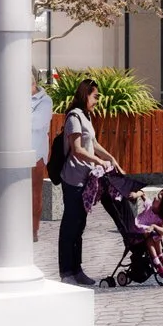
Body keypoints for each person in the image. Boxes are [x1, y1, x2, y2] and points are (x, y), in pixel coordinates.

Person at [54, 77, 121, 285]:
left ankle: (77, 269)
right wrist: (99, 161)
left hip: (86, 179)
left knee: (80, 225)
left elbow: (93, 143)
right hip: (73, 179)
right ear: (85, 95)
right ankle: (66, 272)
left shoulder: (86, 116)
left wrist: (111, 157)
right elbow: (77, 149)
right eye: (95, 96)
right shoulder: (74, 117)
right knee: (70, 225)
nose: (97, 100)